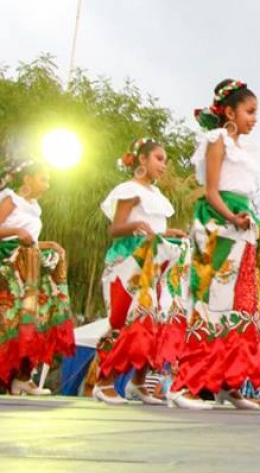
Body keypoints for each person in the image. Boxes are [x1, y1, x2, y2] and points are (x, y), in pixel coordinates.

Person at [172, 80, 260, 409]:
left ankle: (229, 381)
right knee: (213, 302)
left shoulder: (246, 149)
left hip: (240, 224)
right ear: (230, 112)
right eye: (249, 111)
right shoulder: (217, 140)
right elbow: (212, 192)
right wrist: (231, 217)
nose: (254, 119)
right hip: (218, 224)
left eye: (256, 113)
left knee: (243, 305)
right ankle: (186, 385)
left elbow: (242, 198)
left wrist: (257, 223)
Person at [93, 138, 204, 408]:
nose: (163, 165)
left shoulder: (157, 196)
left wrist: (166, 233)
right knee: (125, 321)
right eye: (158, 158)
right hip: (130, 262)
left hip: (156, 264)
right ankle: (104, 382)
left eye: (165, 160)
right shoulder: (129, 190)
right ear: (142, 160)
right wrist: (137, 226)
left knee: (155, 320)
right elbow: (116, 228)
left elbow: (153, 231)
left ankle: (139, 382)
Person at [0, 160, 75, 395]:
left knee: (33, 317)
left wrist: (49, 245)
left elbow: (30, 239)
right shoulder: (10, 200)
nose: (47, 185)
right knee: (1, 318)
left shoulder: (35, 207)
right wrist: (17, 231)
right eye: (43, 179)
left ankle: (23, 376)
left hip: (27, 263)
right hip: (4, 261)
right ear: (27, 179)